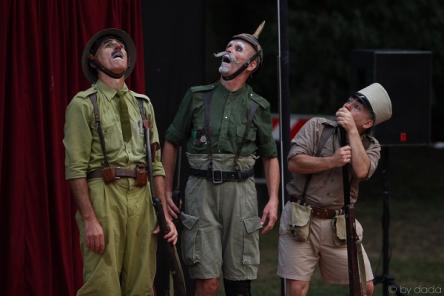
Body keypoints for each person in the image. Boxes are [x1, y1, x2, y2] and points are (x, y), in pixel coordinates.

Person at [162, 21, 280, 296]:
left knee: (239, 279)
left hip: (241, 193)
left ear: (251, 65)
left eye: (238, 48)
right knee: (206, 279)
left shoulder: (257, 106)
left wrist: (274, 198)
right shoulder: (196, 97)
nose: (229, 51)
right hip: (201, 192)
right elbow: (171, 141)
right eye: (228, 46)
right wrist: (166, 189)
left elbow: (270, 155)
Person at [64, 28, 177, 296]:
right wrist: (90, 219)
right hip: (104, 195)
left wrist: (163, 216)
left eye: (122, 46)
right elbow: (75, 169)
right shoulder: (83, 103)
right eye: (108, 46)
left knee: (141, 284)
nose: (118, 47)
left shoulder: (143, 104)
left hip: (141, 197)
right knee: (102, 285)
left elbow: (156, 165)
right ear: (94, 60)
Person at [277, 83, 392, 296]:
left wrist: (351, 132)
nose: (348, 106)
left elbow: (362, 171)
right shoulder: (317, 127)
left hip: (339, 224)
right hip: (302, 218)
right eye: (350, 101)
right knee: (295, 289)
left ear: (367, 122)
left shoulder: (371, 146)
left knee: (364, 287)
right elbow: (294, 162)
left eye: (357, 107)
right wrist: (331, 161)